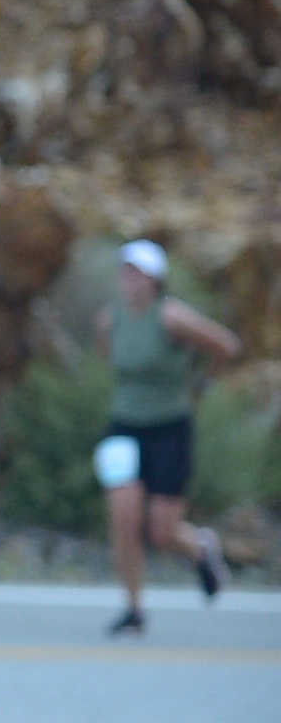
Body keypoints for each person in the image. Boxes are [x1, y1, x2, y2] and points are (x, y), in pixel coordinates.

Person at [97, 238, 240, 633]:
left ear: (155, 279)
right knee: (123, 516)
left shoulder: (172, 317)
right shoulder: (109, 320)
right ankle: (133, 608)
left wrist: (200, 386)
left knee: (162, 531)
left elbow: (226, 346)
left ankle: (201, 548)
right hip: (124, 426)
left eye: (139, 273)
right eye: (126, 271)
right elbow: (108, 357)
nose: (130, 279)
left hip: (169, 427)